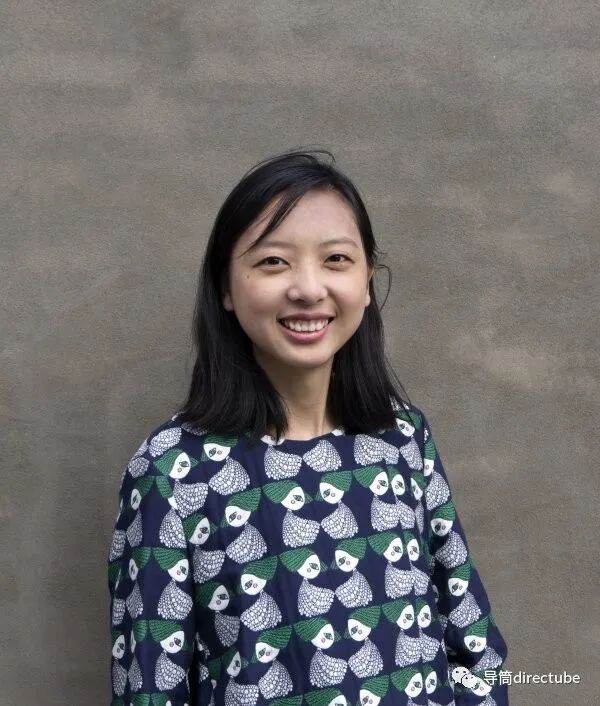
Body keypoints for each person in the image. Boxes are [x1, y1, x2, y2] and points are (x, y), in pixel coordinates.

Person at [107, 149, 509, 705]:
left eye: (336, 259)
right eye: (274, 261)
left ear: (367, 282)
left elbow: (473, 645)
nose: (309, 289)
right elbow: (149, 689)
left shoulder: (403, 440)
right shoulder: (173, 471)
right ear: (226, 287)